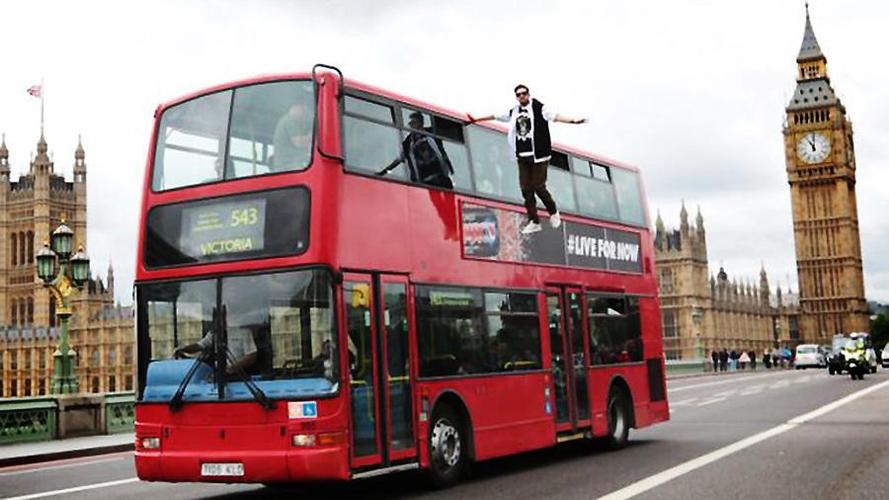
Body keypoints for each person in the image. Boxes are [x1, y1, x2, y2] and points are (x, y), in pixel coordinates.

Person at [470, 85, 586, 234]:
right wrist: (476, 119)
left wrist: (573, 121)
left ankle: (553, 211)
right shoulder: (514, 111)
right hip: (522, 155)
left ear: (528, 94)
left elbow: (556, 116)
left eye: (524, 94)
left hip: (539, 156)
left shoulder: (539, 108)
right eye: (519, 95)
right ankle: (534, 221)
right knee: (526, 189)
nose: (522, 97)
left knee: (538, 186)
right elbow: (495, 115)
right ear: (516, 97)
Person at [378, 111, 454, 189]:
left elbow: (441, 152)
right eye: (410, 123)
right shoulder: (409, 142)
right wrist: (385, 171)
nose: (410, 125)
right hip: (422, 180)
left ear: (419, 123)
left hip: (439, 176)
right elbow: (399, 159)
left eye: (413, 122)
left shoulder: (431, 134)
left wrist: (447, 171)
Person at [272, 102, 312, 171]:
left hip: (291, 164)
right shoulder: (289, 120)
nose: (304, 114)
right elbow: (299, 143)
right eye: (303, 110)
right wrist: (313, 134)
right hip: (287, 166)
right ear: (295, 107)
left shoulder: (295, 122)